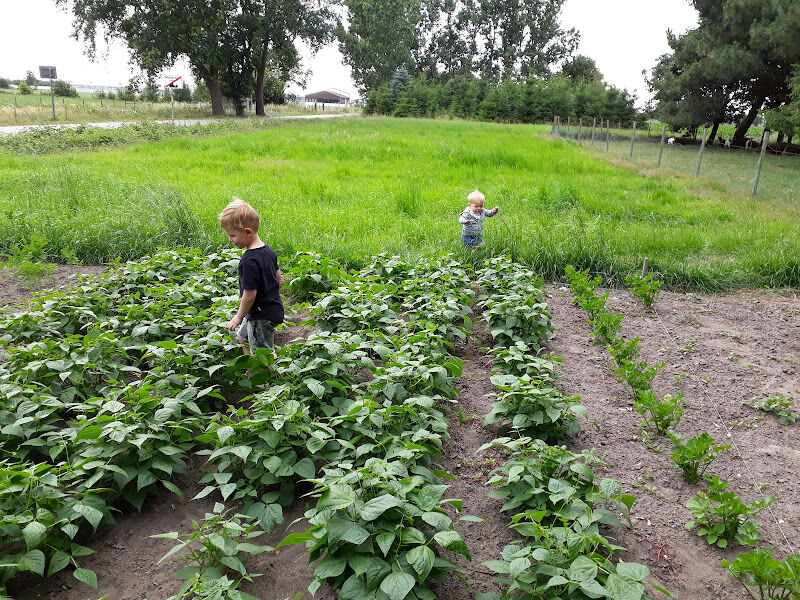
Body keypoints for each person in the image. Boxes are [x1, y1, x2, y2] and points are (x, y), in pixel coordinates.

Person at [219, 198, 283, 355]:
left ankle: (270, 375)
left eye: (232, 235)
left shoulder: (248, 260)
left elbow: (249, 295)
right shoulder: (268, 251)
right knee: (243, 339)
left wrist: (238, 317)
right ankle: (251, 371)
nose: (230, 240)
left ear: (247, 232)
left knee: (263, 355)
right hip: (270, 308)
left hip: (260, 315)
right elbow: (278, 277)